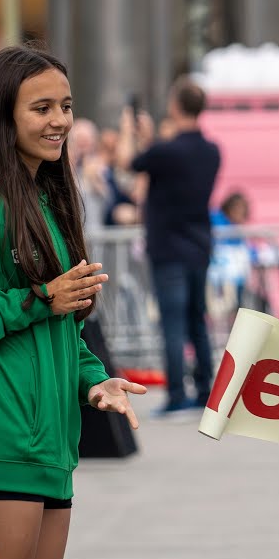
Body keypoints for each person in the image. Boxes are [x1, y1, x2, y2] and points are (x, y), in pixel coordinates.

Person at [0, 44, 147, 559]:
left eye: (66, 105)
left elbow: (63, 326)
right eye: (41, 108)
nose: (59, 121)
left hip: (54, 447)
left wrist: (96, 381)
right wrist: (39, 299)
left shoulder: (46, 202)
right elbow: (43, 306)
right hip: (4, 443)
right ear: (2, 113)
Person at [116, 76, 221, 415]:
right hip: (200, 245)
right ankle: (207, 390)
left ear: (176, 106)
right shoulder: (211, 151)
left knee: (172, 324)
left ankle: (176, 395)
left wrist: (129, 132)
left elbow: (130, 163)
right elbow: (164, 160)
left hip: (168, 248)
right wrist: (153, 141)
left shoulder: (166, 151)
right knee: (197, 320)